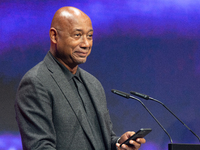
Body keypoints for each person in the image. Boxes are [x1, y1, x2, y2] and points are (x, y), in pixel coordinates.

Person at [15, 6, 146, 150]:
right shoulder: (36, 82)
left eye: (89, 36)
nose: (86, 44)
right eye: (77, 35)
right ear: (54, 36)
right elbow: (40, 147)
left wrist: (118, 145)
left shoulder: (93, 84)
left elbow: (103, 139)